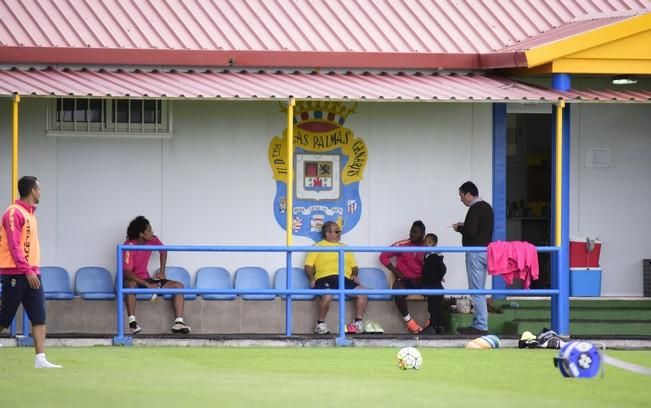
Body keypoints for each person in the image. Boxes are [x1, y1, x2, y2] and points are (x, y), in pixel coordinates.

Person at [0, 176, 62, 368]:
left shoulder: (30, 215)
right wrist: (26, 270)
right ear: (32, 191)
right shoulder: (13, 213)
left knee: (39, 316)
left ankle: (40, 359)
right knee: (4, 318)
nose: (41, 192)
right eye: (39, 189)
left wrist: (32, 270)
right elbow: (13, 245)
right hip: (16, 273)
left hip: (33, 273)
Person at [122, 216, 191, 334]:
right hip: (133, 280)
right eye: (149, 230)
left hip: (146, 279)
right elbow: (127, 273)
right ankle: (132, 323)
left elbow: (163, 250)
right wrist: (147, 284)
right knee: (131, 283)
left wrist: (162, 271)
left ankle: (178, 323)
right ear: (141, 234)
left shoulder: (152, 240)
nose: (152, 232)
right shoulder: (128, 246)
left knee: (178, 286)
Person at [304, 221, 368, 334]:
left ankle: (357, 323)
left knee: (363, 292)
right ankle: (320, 324)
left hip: (343, 279)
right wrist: (311, 278)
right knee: (328, 294)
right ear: (327, 233)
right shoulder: (318, 246)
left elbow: (354, 266)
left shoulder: (345, 247)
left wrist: (354, 274)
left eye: (340, 231)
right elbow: (308, 266)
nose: (339, 233)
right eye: (336, 231)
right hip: (325, 278)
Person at [453, 181, 494, 335]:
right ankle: (479, 323)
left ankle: (481, 325)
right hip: (486, 251)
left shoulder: (475, 209)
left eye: (461, 196)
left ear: (469, 194)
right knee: (480, 289)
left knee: (476, 290)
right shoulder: (487, 207)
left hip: (475, 252)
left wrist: (459, 228)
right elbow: (481, 228)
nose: (461, 199)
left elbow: (470, 231)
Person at [379, 220, 426, 334]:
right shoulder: (403, 244)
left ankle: (433, 323)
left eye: (415, 232)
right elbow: (383, 256)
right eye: (411, 231)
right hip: (404, 279)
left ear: (422, 234)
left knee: (438, 291)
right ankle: (410, 322)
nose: (412, 234)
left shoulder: (427, 246)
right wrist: (397, 273)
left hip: (420, 280)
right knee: (398, 292)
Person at [421, 233, 447, 335]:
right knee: (433, 306)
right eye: (425, 242)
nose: (426, 244)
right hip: (431, 285)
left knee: (434, 307)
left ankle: (434, 326)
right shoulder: (427, 256)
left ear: (435, 244)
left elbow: (443, 268)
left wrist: (440, 277)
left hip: (435, 285)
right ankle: (437, 326)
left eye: (429, 242)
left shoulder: (435, 256)